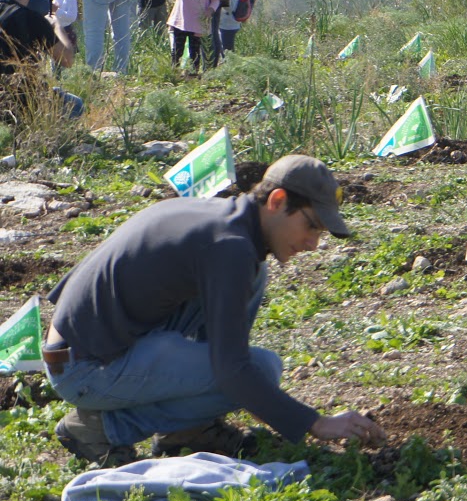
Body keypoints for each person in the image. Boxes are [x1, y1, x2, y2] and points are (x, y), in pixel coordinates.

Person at [44, 154, 387, 466]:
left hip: (91, 341)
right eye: (312, 225)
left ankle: (188, 430)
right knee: (261, 370)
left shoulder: (224, 221)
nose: (313, 244)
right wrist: (315, 422)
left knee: (253, 281)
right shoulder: (230, 248)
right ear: (278, 201)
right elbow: (233, 370)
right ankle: (99, 428)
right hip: (84, 367)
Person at [0, 0, 81, 119]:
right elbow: (67, 59)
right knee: (76, 104)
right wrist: (56, 26)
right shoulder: (30, 18)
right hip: (22, 100)